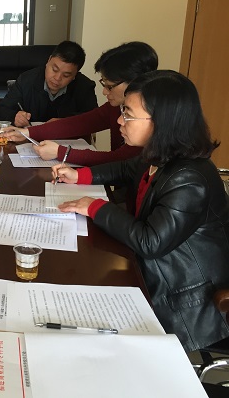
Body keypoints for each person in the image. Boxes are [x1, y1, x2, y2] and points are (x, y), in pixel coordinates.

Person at [54, 70, 229, 352]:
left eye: (128, 114)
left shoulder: (189, 177)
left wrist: (95, 206)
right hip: (151, 273)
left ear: (162, 122)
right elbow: (126, 168)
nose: (120, 121)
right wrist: (80, 176)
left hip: (185, 299)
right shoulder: (161, 153)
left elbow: (151, 242)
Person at [1, 41, 158, 166]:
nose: (104, 92)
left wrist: (61, 152)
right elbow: (80, 123)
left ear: (135, 83)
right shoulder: (116, 107)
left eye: (109, 86)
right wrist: (27, 133)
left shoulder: (148, 118)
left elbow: (122, 159)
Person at [0, 41, 97, 125]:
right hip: (29, 141)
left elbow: (94, 120)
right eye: (54, 69)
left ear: (75, 74)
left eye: (66, 75)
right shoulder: (26, 80)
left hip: (64, 142)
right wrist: (14, 117)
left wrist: (66, 123)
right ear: (49, 60)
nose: (57, 78)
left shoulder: (84, 87)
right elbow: (1, 110)